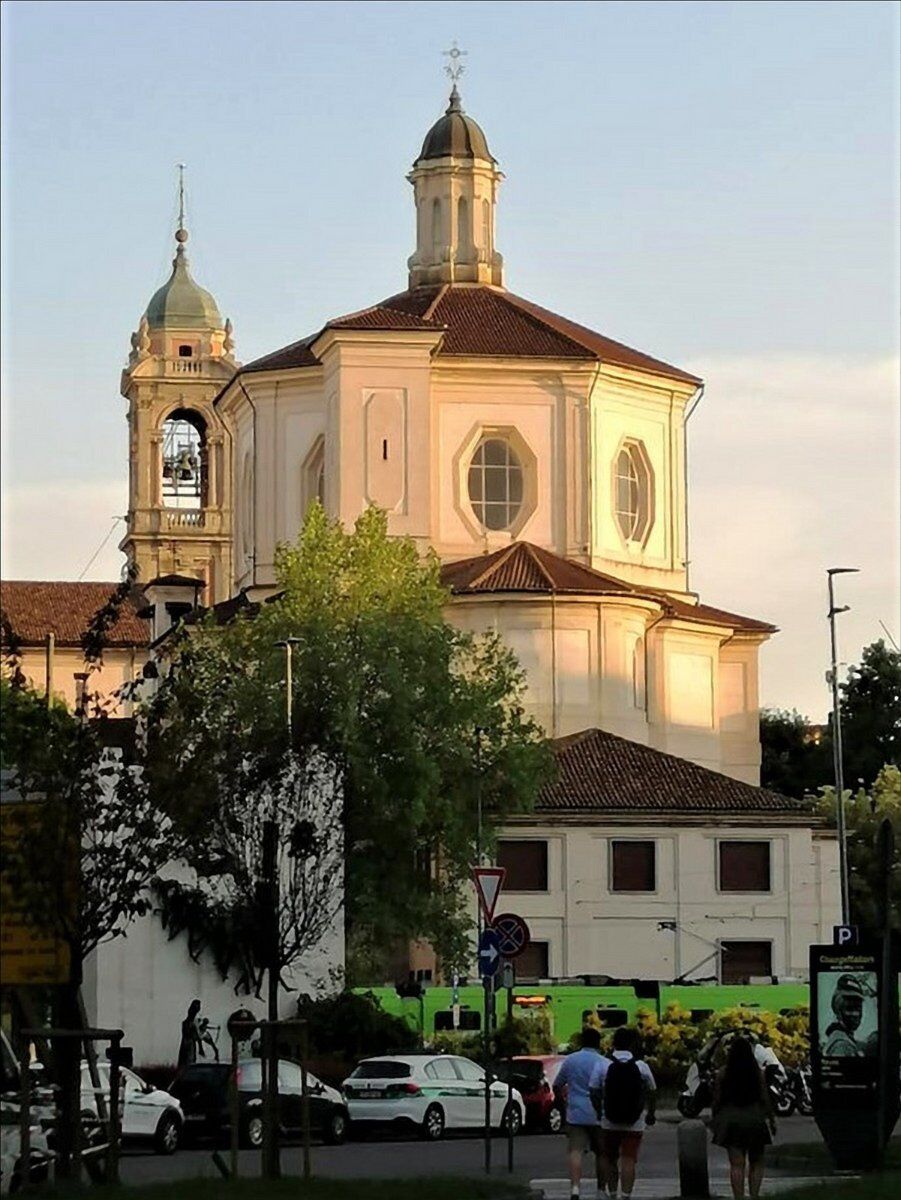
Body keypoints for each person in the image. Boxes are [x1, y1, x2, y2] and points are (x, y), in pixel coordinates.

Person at [589, 1027, 656, 1200]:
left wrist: (599, 1111)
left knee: (610, 1158)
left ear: (614, 1043)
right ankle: (626, 1195)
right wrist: (650, 1113)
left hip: (609, 1120)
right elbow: (652, 1090)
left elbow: (593, 1090)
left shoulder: (603, 1064)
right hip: (634, 1121)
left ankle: (612, 1194)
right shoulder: (641, 1066)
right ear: (632, 1044)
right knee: (629, 1159)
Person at [711, 1035, 776, 1200]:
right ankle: (754, 1195)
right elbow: (765, 1097)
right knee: (757, 1162)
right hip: (754, 1119)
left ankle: (738, 1197)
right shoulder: (757, 1073)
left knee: (737, 1165)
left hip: (731, 1120)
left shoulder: (723, 1073)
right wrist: (771, 1119)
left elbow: (717, 1100)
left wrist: (715, 1119)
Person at [553, 1026, 605, 1200]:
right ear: (598, 1043)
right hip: (598, 1114)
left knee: (575, 1151)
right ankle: (600, 1189)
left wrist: (563, 1103)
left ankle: (575, 1188)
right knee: (602, 1153)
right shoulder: (604, 1062)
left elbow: (557, 1084)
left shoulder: (570, 1060)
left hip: (575, 1112)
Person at [823, 974, 871, 1057]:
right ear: (838, 1009)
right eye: (849, 1008)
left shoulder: (843, 1039)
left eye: (858, 1008)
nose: (856, 1014)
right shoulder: (842, 1046)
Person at [177, 999, 205, 1069]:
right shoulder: (191, 1022)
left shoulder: (192, 1021)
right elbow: (197, 1036)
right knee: (188, 1063)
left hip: (188, 1043)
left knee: (187, 1062)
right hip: (188, 1043)